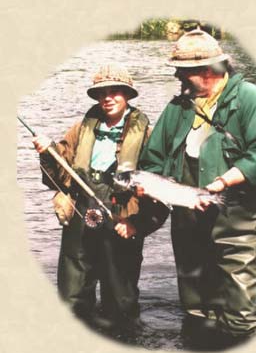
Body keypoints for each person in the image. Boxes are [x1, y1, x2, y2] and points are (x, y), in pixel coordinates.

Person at [139, 29, 256, 343]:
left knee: (240, 303)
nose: (177, 77)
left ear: (207, 71)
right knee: (196, 304)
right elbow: (153, 159)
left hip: (236, 213)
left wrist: (223, 181)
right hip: (187, 217)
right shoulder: (178, 108)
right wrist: (149, 186)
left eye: (182, 72)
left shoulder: (249, 99)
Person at [32, 63, 165, 333]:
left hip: (122, 221)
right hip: (81, 218)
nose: (108, 97)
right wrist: (47, 152)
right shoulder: (80, 129)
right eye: (101, 92)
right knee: (72, 299)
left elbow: (161, 193)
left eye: (116, 91)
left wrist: (138, 225)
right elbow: (56, 179)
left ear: (128, 94)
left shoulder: (148, 136)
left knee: (120, 303)